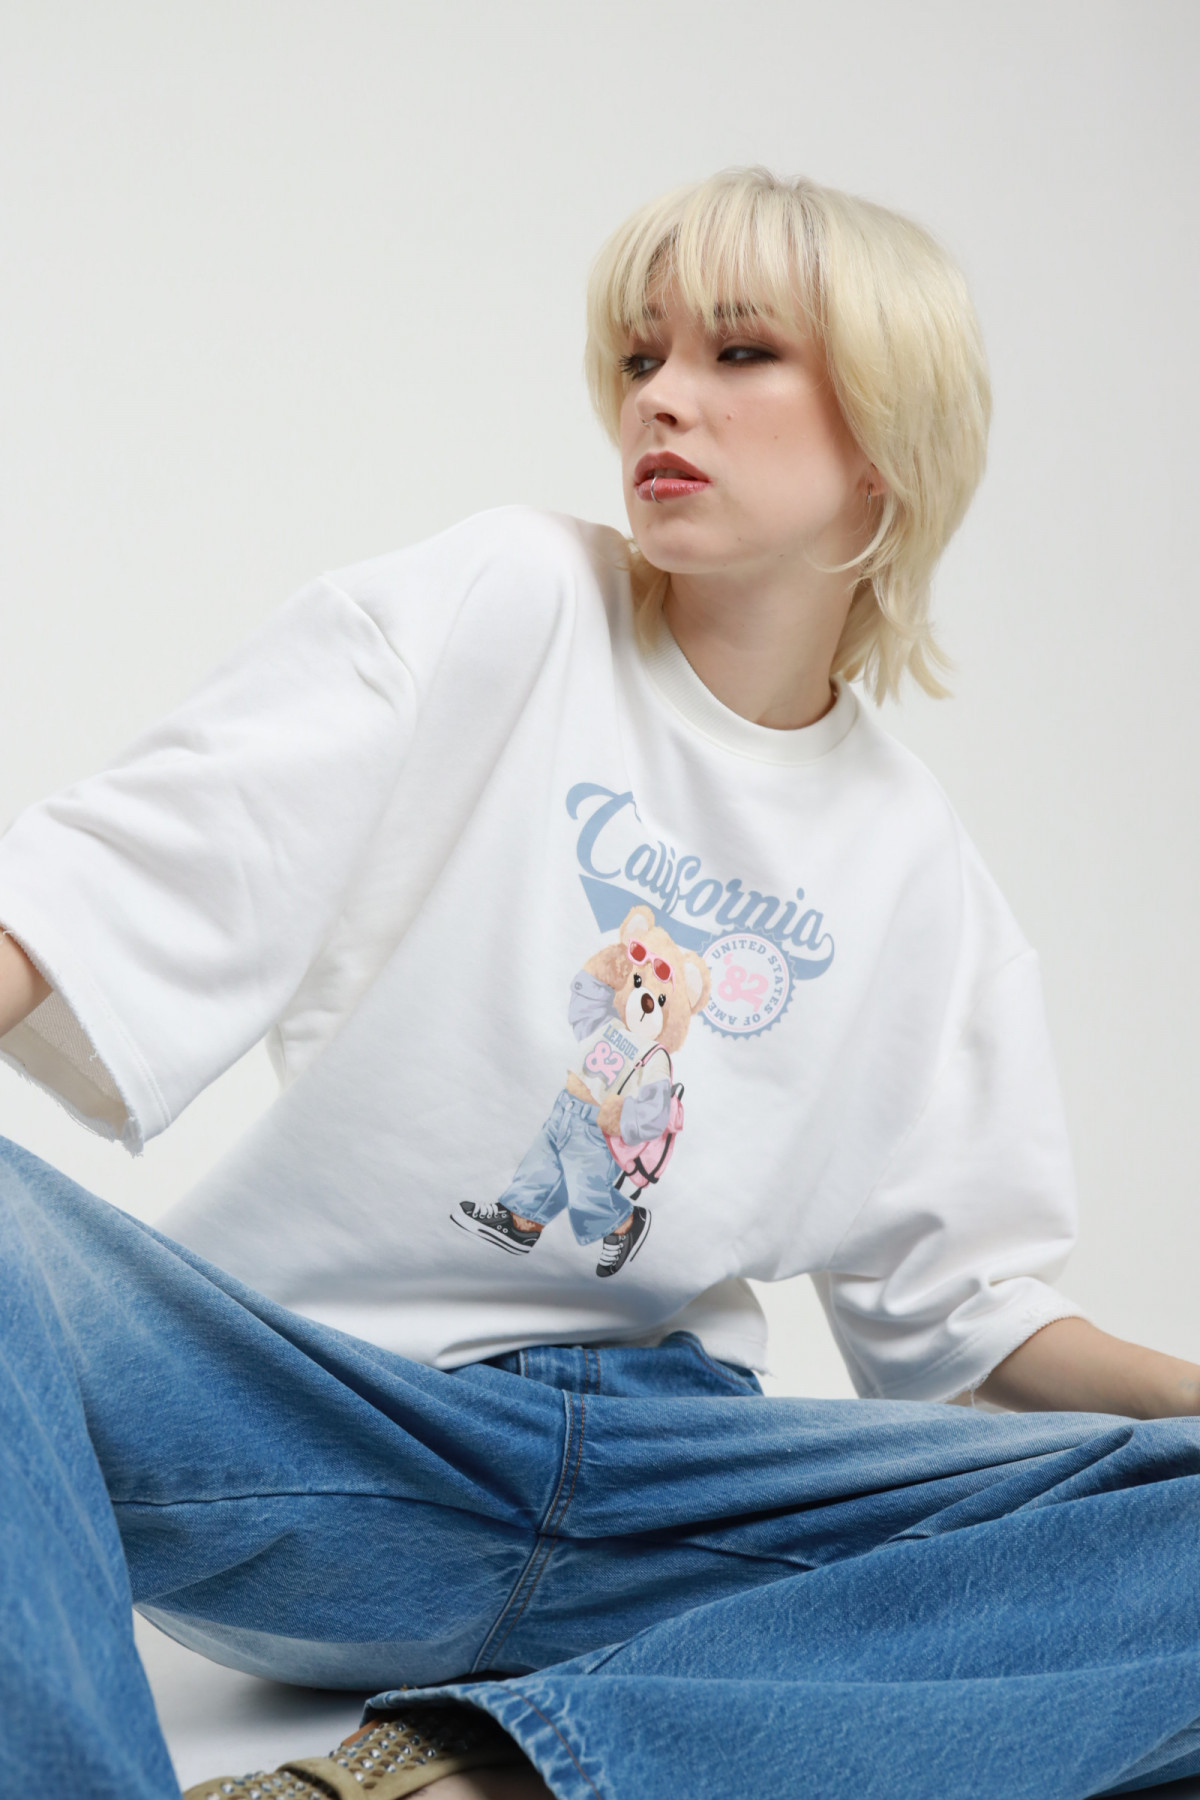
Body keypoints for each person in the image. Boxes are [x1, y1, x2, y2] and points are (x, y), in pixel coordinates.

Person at [2, 166, 1200, 1800]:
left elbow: (969, 1315)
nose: (662, 399)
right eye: (641, 357)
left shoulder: (923, 871)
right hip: (320, 1430)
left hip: (676, 1476)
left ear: (887, 438)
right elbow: (97, 889)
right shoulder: (509, 603)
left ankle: (473, 1779)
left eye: (739, 352)